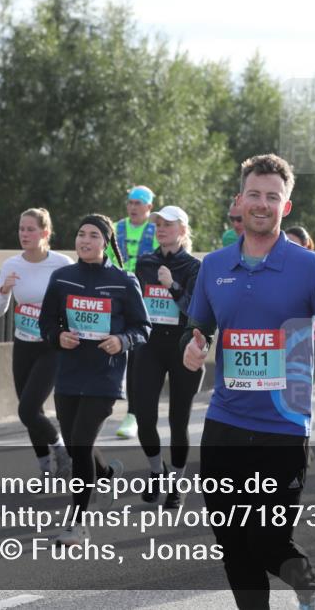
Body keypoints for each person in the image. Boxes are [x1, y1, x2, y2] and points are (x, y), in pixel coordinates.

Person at [182, 154, 315, 610]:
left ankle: (307, 582)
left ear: (286, 207)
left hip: (282, 427)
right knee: (231, 542)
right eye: (254, 194)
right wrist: (192, 350)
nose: (262, 204)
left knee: (266, 541)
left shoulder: (308, 266)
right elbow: (199, 330)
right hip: (224, 422)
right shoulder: (214, 266)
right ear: (240, 200)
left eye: (273, 197)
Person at [38, 213, 151, 545]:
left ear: (106, 243)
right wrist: (58, 336)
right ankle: (107, 474)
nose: (85, 240)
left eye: (93, 236)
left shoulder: (124, 281)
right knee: (75, 447)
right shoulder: (62, 278)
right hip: (70, 372)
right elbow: (46, 324)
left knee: (82, 444)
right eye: (80, 234)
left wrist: (122, 341)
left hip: (105, 375)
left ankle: (78, 525)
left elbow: (143, 327)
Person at [0, 208, 74, 479]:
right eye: (21, 229)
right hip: (23, 344)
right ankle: (45, 470)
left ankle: (60, 449)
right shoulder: (11, 265)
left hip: (50, 345)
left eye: (30, 229)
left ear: (45, 233)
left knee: (26, 409)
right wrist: (4, 291)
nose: (24, 234)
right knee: (31, 411)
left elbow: (73, 301)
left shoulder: (61, 264)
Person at [132, 206, 204, 508]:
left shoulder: (194, 266)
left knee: (178, 419)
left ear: (183, 230)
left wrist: (171, 285)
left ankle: (176, 482)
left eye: (168, 224)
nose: (161, 229)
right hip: (149, 346)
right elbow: (135, 304)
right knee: (144, 417)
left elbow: (197, 311)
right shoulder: (145, 262)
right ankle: (156, 471)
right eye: (158, 224)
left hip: (182, 346)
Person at [112, 185, 160, 439]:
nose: (132, 207)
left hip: (144, 302)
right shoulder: (117, 228)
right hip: (117, 297)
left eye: (138, 203)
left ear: (149, 207)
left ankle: (133, 414)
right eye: (130, 202)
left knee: (137, 356)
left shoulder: (155, 231)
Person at [285, 226, 315, 386]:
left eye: (294, 244)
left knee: (303, 394)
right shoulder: (274, 270)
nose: (289, 248)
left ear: (306, 247)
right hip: (283, 343)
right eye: (286, 243)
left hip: (314, 341)